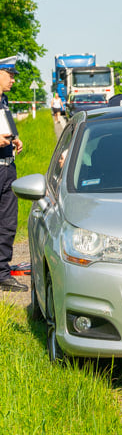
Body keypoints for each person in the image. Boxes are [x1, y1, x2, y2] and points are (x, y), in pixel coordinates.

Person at [0, 57, 26, 291]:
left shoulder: (4, 100)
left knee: (7, 223)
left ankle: (2, 273)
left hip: (8, 168)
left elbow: (7, 127)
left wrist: (15, 138)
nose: (13, 79)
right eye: (10, 74)